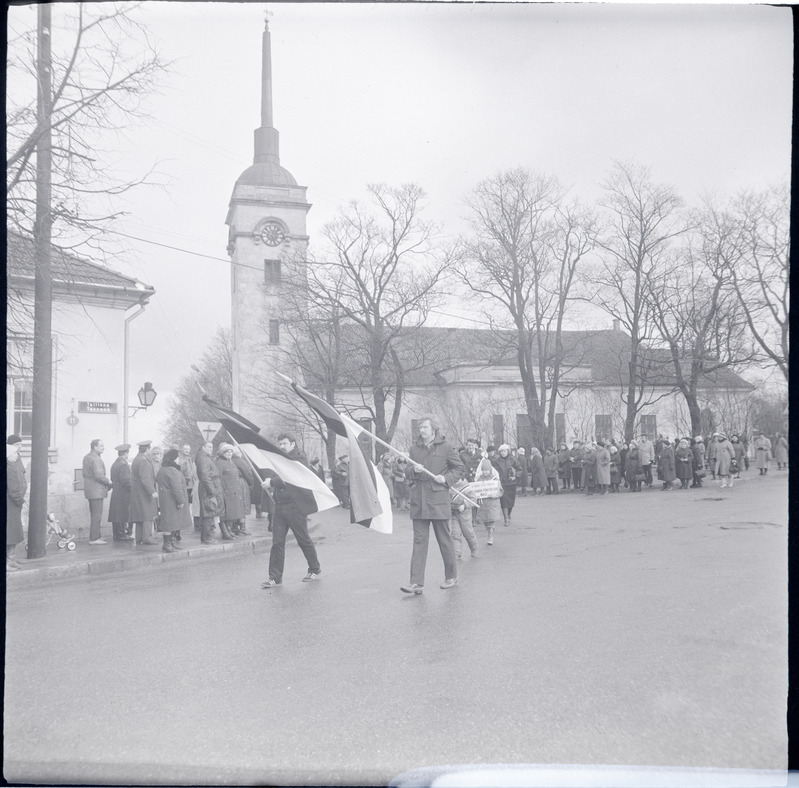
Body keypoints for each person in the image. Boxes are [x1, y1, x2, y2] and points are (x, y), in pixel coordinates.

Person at [401, 415, 464, 594]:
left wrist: (446, 479)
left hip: (438, 501)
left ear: (434, 429)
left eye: (425, 427)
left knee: (445, 541)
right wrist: (413, 470)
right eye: (420, 427)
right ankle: (416, 583)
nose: (421, 430)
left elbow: (459, 468)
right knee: (419, 542)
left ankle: (451, 576)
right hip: (419, 501)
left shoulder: (446, 447)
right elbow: (407, 471)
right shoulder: (414, 449)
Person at [261, 434, 322, 587]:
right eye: (280, 444)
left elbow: (292, 477)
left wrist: (272, 482)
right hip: (280, 505)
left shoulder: (300, 459)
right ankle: (275, 577)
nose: (281, 446)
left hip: (295, 506)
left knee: (303, 539)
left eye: (284, 444)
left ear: (292, 444)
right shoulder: (280, 458)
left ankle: (314, 569)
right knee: (277, 543)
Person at [155, 448, 192, 553]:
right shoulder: (172, 470)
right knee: (170, 523)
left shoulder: (163, 469)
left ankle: (170, 543)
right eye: (177, 458)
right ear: (173, 459)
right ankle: (167, 544)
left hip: (165, 500)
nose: (178, 460)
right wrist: (181, 501)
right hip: (172, 501)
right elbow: (176, 487)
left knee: (169, 522)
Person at [82, 439, 113, 545]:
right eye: (101, 446)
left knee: (94, 513)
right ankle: (94, 538)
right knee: (97, 514)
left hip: (89, 489)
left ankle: (97, 535)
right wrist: (108, 482)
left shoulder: (86, 457)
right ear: (94, 447)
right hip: (97, 490)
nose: (103, 448)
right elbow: (99, 475)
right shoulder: (96, 459)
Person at [129, 440, 160, 546]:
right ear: (147, 449)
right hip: (144, 493)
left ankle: (139, 537)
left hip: (137, 492)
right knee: (147, 514)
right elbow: (146, 478)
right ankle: (147, 537)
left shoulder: (136, 459)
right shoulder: (144, 461)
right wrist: (152, 491)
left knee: (139, 515)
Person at [216, 443, 246, 540]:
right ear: (222, 453)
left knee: (232, 513)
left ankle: (229, 530)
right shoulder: (220, 462)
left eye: (230, 452)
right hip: (226, 492)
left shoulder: (231, 461)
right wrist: (221, 490)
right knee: (225, 513)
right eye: (227, 452)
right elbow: (218, 478)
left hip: (233, 492)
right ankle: (225, 532)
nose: (229, 453)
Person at [195, 441, 223, 544]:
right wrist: (212, 491)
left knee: (209, 511)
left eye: (212, 447)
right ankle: (206, 537)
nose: (211, 449)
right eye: (209, 447)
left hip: (209, 486)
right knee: (208, 511)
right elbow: (204, 475)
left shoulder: (205, 457)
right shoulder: (203, 458)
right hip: (207, 488)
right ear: (203, 447)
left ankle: (207, 536)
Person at [471, 458, 502, 547]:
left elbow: (500, 490)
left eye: (487, 470)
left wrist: (496, 495)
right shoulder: (479, 479)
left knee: (491, 520)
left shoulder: (495, 479)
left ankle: (490, 535)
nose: (485, 472)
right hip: (483, 503)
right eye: (483, 470)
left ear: (490, 470)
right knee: (485, 520)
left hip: (492, 502)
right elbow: (475, 490)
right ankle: (489, 531)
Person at [7, 435, 27, 572]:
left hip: (15, 503)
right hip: (11, 504)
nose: (17, 454)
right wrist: (20, 500)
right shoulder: (10, 467)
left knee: (13, 532)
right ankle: (7, 562)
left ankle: (11, 559)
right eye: (15, 451)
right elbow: (13, 489)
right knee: (10, 533)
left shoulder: (15, 463)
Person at [108, 444, 134, 541]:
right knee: (122, 513)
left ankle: (117, 534)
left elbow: (112, 478)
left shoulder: (115, 464)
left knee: (116, 513)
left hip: (116, 491)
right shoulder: (124, 465)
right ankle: (121, 534)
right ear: (126, 453)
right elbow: (126, 481)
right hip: (123, 493)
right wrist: (132, 489)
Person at [449, 478, 478, 560]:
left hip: (465, 514)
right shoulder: (450, 488)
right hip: (454, 513)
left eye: (458, 479)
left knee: (468, 533)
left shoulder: (467, 488)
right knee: (455, 534)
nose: (456, 481)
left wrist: (465, 505)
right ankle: (457, 553)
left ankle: (474, 549)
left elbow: (473, 500)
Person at [493, 444, 520, 524]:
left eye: (504, 451)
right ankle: (506, 519)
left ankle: (508, 514)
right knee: (503, 501)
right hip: (502, 483)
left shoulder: (513, 459)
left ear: (508, 451)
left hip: (511, 483)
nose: (503, 453)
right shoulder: (497, 461)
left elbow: (520, 469)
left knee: (511, 502)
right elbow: (494, 472)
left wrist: (515, 476)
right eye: (501, 451)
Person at [230, 445, 253, 536]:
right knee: (243, 505)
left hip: (232, 484)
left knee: (236, 505)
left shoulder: (230, 461)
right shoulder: (241, 461)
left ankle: (235, 527)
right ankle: (243, 528)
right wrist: (251, 483)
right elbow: (248, 473)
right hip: (241, 483)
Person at [177, 443, 200, 532]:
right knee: (184, 503)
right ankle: (182, 522)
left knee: (194, 504)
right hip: (185, 485)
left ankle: (191, 522)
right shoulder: (180, 459)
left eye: (188, 449)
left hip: (192, 484)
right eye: (185, 449)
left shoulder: (190, 458)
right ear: (182, 449)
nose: (187, 451)